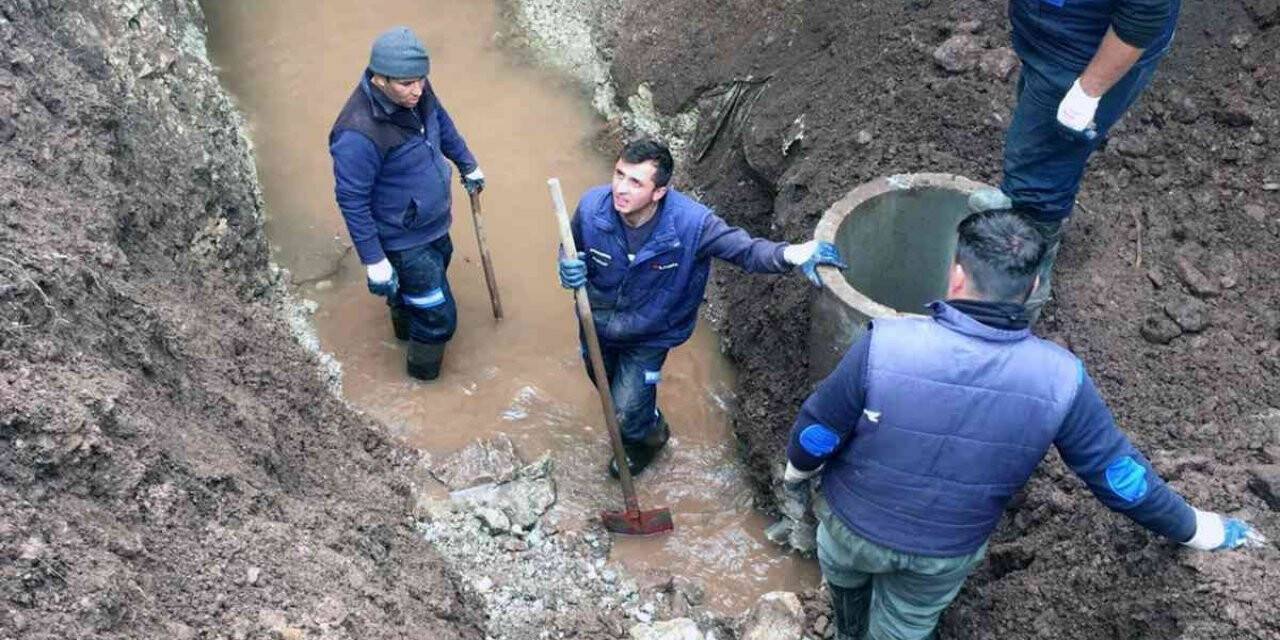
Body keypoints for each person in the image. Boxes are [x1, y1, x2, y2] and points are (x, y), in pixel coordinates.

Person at [782, 209, 1264, 640]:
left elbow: (817, 432)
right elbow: (1121, 479)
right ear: (1032, 288)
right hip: (944, 551)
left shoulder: (885, 343)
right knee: (907, 624)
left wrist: (797, 474)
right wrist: (1198, 529)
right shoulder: (1060, 378)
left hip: (852, 526)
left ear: (955, 277)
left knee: (844, 585)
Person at [558, 138, 847, 478]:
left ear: (659, 192)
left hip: (651, 333)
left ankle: (649, 437)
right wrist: (566, 266)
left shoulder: (692, 225)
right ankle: (640, 416)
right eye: (619, 174)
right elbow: (570, 246)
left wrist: (790, 254)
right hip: (596, 321)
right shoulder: (593, 208)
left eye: (635, 182)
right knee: (602, 383)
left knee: (625, 408)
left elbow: (746, 250)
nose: (620, 188)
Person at [970, 0, 1182, 322]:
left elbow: (1144, 14)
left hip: (1089, 51)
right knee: (1033, 134)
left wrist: (1089, 89)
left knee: (1040, 174)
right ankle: (1019, 204)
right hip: (1049, 30)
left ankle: (1017, 296)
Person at [329, 26, 485, 381]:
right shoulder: (357, 133)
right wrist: (374, 260)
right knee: (438, 318)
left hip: (432, 222)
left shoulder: (417, 93)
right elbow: (351, 200)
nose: (417, 90)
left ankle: (402, 324)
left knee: (419, 287)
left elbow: (442, 124)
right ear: (379, 79)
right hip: (402, 238)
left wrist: (467, 163)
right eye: (406, 83)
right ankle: (422, 380)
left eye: (421, 80)